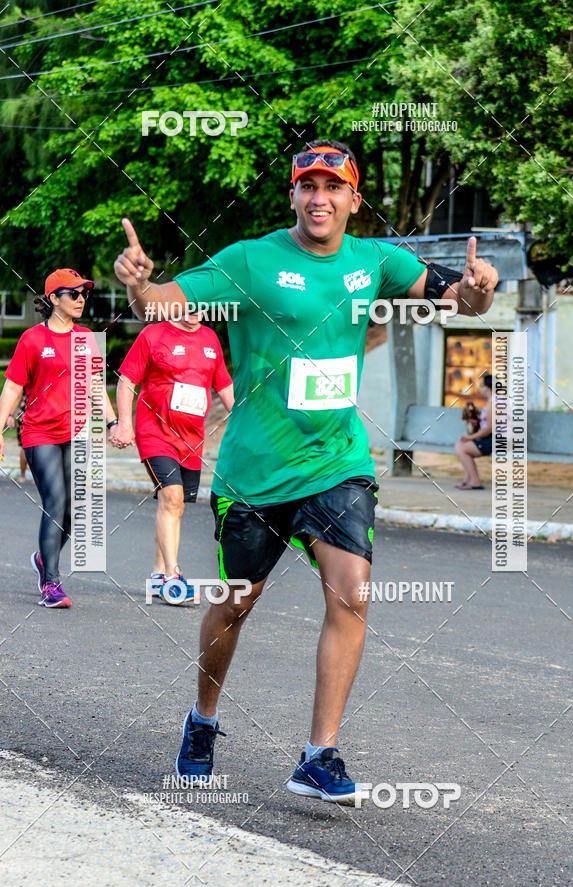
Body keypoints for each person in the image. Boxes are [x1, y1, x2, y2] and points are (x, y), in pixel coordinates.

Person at [114, 140, 498, 803]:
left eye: (333, 187)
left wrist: (478, 290)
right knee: (237, 602)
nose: (319, 197)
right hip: (255, 469)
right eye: (307, 186)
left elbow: (461, 301)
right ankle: (202, 720)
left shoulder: (374, 260)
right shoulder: (250, 259)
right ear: (292, 195)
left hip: (337, 460)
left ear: (353, 199)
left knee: (351, 592)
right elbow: (161, 304)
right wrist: (139, 282)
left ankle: (319, 755)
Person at [0, 269, 118, 608]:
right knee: (55, 502)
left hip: (75, 433)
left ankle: (42, 558)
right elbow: (13, 386)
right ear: (53, 298)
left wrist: (112, 423)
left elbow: (95, 385)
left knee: (73, 510)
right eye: (74, 293)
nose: (81, 299)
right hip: (39, 432)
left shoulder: (86, 339)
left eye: (84, 293)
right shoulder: (32, 339)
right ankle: (51, 583)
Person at [112, 308, 233, 603]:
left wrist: (246, 425)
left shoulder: (210, 339)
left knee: (174, 506)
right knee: (172, 497)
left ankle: (157, 574)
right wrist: (125, 423)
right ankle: (172, 578)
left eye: (202, 305)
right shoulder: (153, 335)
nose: (195, 311)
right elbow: (127, 380)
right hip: (154, 433)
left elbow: (225, 386)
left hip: (191, 440)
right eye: (189, 304)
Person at [455, 372, 493, 490]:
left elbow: (489, 428)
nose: (481, 389)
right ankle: (469, 478)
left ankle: (475, 481)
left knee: (462, 447)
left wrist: (470, 438)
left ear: (487, 388)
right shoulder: (494, 401)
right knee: (460, 445)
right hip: (492, 439)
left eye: (482, 386)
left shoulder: (495, 403)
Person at [6, 393, 28, 481]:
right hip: (41, 412)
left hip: (24, 412)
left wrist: (10, 415)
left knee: (24, 446)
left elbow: (16, 395)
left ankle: (22, 476)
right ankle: (35, 477)